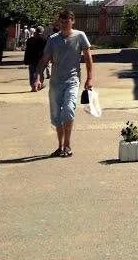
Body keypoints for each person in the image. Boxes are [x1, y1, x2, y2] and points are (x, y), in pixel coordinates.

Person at [33, 10, 94, 158]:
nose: (64, 24)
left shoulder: (80, 36)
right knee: (56, 116)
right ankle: (60, 146)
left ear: (72, 21)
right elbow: (44, 59)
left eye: (67, 21)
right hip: (55, 82)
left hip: (72, 80)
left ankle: (67, 145)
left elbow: (88, 57)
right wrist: (37, 77)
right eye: (61, 22)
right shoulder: (53, 39)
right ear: (58, 23)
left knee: (68, 109)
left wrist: (89, 78)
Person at [23, 26, 48, 91]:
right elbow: (46, 51)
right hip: (40, 59)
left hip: (31, 59)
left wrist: (26, 60)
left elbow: (27, 51)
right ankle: (37, 85)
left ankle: (35, 85)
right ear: (42, 32)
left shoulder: (30, 40)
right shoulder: (44, 40)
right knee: (39, 72)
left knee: (32, 72)